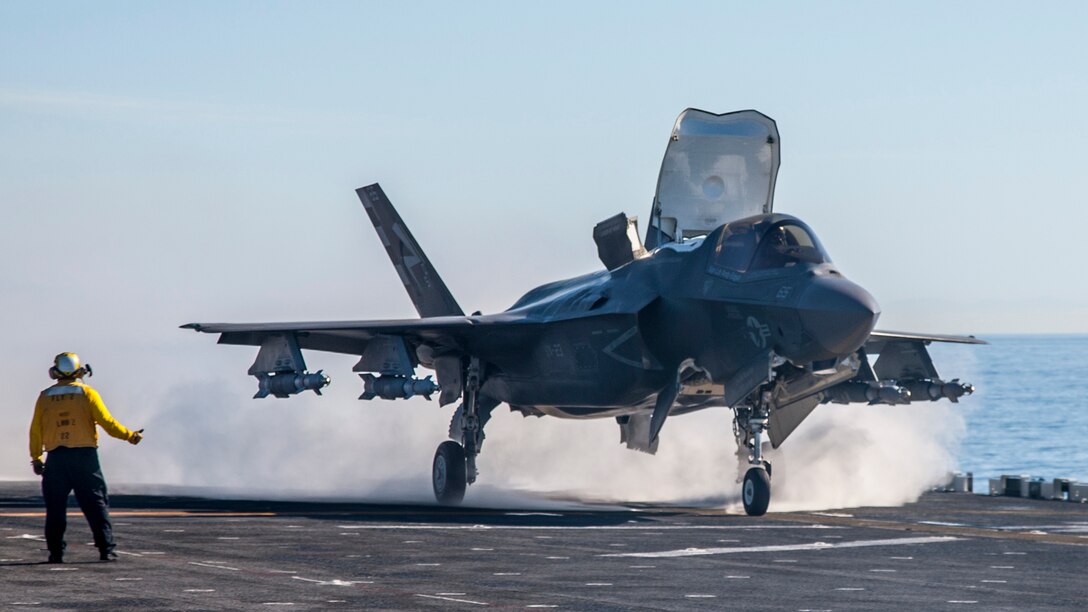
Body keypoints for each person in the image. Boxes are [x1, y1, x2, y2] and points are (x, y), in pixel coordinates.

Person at [28, 352, 143, 563]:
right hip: (85, 459)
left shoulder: (44, 396)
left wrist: (36, 458)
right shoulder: (87, 393)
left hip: (56, 458)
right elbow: (107, 423)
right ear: (81, 371)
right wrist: (131, 436)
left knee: (55, 509)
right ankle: (106, 550)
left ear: (54, 372)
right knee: (96, 505)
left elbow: (35, 430)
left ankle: (56, 554)